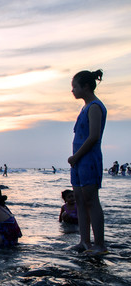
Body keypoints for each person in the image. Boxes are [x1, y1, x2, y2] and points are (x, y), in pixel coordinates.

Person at [68, 69, 107, 254]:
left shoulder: (95, 107)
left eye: (74, 86)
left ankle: (99, 244)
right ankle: (84, 241)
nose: (72, 90)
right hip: (77, 162)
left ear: (85, 86)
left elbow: (93, 137)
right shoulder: (84, 108)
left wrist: (76, 156)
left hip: (88, 159)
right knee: (80, 200)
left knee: (91, 200)